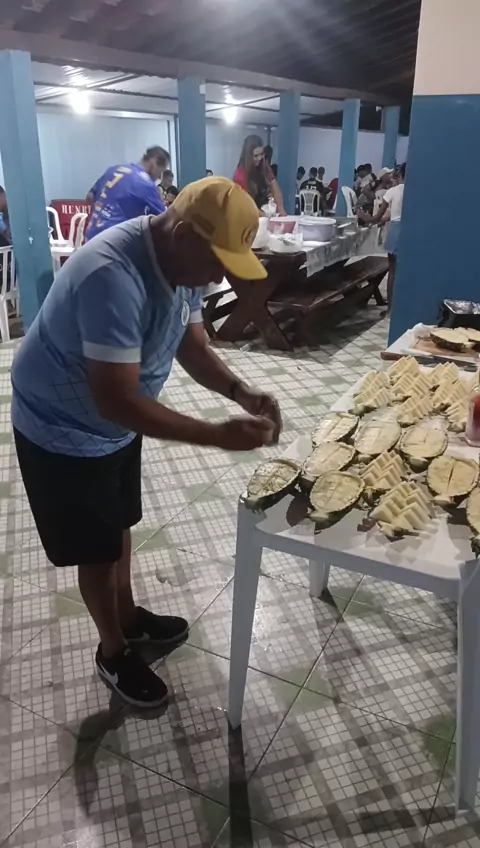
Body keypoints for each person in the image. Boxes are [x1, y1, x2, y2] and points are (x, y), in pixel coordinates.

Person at [11, 176, 282, 709]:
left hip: (112, 425)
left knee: (119, 526)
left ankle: (129, 617)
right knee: (96, 551)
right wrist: (215, 435)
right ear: (181, 234)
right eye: (216, 262)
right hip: (62, 427)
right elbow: (116, 400)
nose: (218, 276)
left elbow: (191, 342)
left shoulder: (183, 264)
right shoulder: (111, 275)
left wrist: (239, 391)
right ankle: (113, 651)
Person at [85, 146, 169, 240]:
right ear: (153, 163)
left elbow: (89, 196)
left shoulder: (113, 169)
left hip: (91, 237)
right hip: (114, 241)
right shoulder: (145, 183)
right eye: (161, 172)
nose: (159, 178)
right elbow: (166, 219)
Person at [359, 162, 406, 315]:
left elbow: (377, 218)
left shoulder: (392, 191)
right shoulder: (415, 190)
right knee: (405, 270)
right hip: (409, 231)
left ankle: (390, 310)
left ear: (399, 175)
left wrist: (364, 217)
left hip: (395, 231)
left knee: (393, 271)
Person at [233, 135, 286, 215]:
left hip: (264, 211)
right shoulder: (240, 175)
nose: (259, 158)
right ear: (248, 156)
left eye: (261, 154)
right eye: (256, 156)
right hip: (248, 214)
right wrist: (264, 216)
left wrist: (281, 209)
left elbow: (274, 186)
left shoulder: (264, 166)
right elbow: (246, 205)